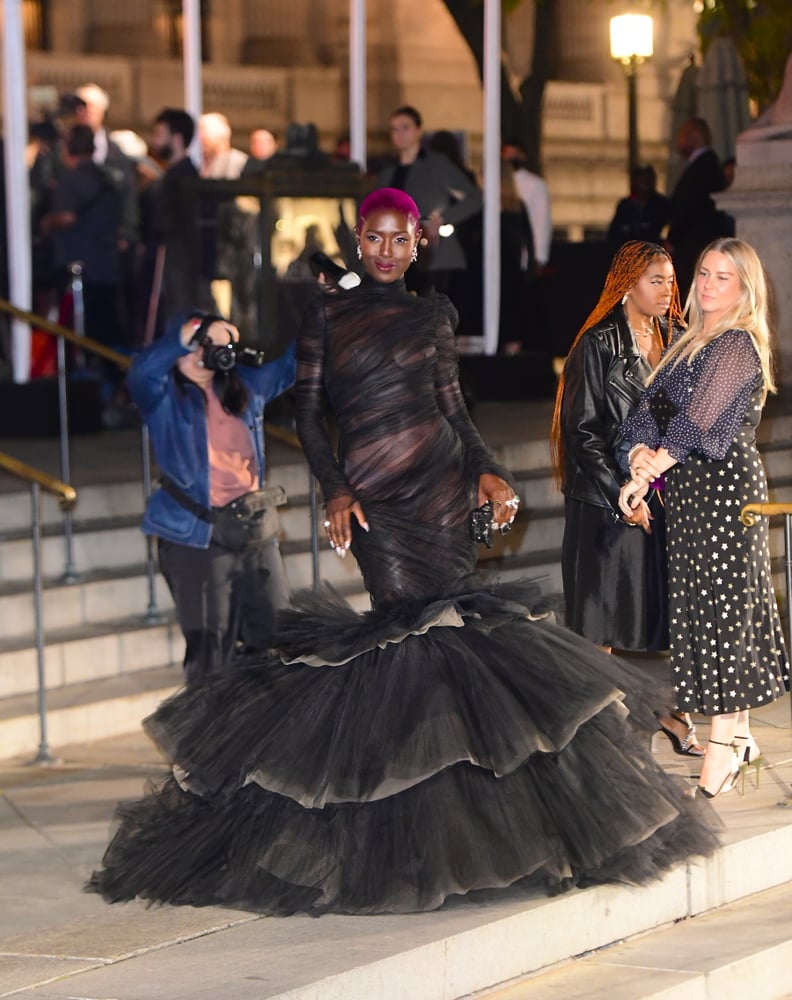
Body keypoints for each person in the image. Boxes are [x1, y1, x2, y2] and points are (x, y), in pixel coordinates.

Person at [89, 188, 720, 916]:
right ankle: (405, 834)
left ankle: (480, 825)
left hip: (443, 488)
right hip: (377, 506)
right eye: (375, 239)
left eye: (401, 240)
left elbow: (454, 407)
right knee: (404, 641)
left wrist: (485, 469)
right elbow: (312, 413)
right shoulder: (327, 312)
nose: (387, 251)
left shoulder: (433, 315)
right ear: (359, 240)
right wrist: (333, 489)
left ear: (418, 243)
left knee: (457, 644)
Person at [619, 237, 790, 798]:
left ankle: (722, 742)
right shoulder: (690, 340)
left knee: (724, 612)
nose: (710, 284)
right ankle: (740, 736)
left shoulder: (738, 344)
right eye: (705, 273)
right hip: (689, 496)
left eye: (725, 276)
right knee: (702, 611)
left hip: (725, 492)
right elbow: (647, 412)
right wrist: (635, 456)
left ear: (745, 287)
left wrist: (645, 476)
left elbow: (694, 425)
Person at [550, 240, 703, 757]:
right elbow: (583, 432)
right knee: (601, 622)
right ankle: (596, 738)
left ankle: (667, 714)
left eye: (670, 280)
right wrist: (622, 491)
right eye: (655, 280)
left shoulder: (680, 337)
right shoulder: (598, 344)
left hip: (662, 499)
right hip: (604, 501)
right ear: (627, 283)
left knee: (662, 615)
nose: (667, 290)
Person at [127, 310, 296, 685]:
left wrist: (328, 304)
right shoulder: (162, 395)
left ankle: (259, 730)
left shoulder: (243, 387)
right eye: (205, 347)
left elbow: (291, 366)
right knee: (211, 653)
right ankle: (209, 740)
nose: (212, 355)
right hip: (196, 535)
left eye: (221, 348)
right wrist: (190, 333)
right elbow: (142, 371)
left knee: (279, 636)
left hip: (253, 530)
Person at [378, 106, 482, 297]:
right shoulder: (387, 172)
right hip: (398, 254)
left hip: (433, 252)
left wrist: (443, 219)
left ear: (418, 131)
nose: (399, 134)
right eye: (394, 129)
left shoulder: (436, 164)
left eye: (405, 127)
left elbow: (474, 198)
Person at [665, 117, 733, 301]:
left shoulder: (702, 167)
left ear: (694, 136)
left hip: (694, 247)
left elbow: (688, 206)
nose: (679, 142)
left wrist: (673, 237)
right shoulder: (705, 165)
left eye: (682, 136)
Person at [607, 165, 671, 254]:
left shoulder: (662, 204)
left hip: (656, 252)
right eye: (641, 180)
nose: (644, 184)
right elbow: (614, 233)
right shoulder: (625, 205)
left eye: (648, 180)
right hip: (629, 253)